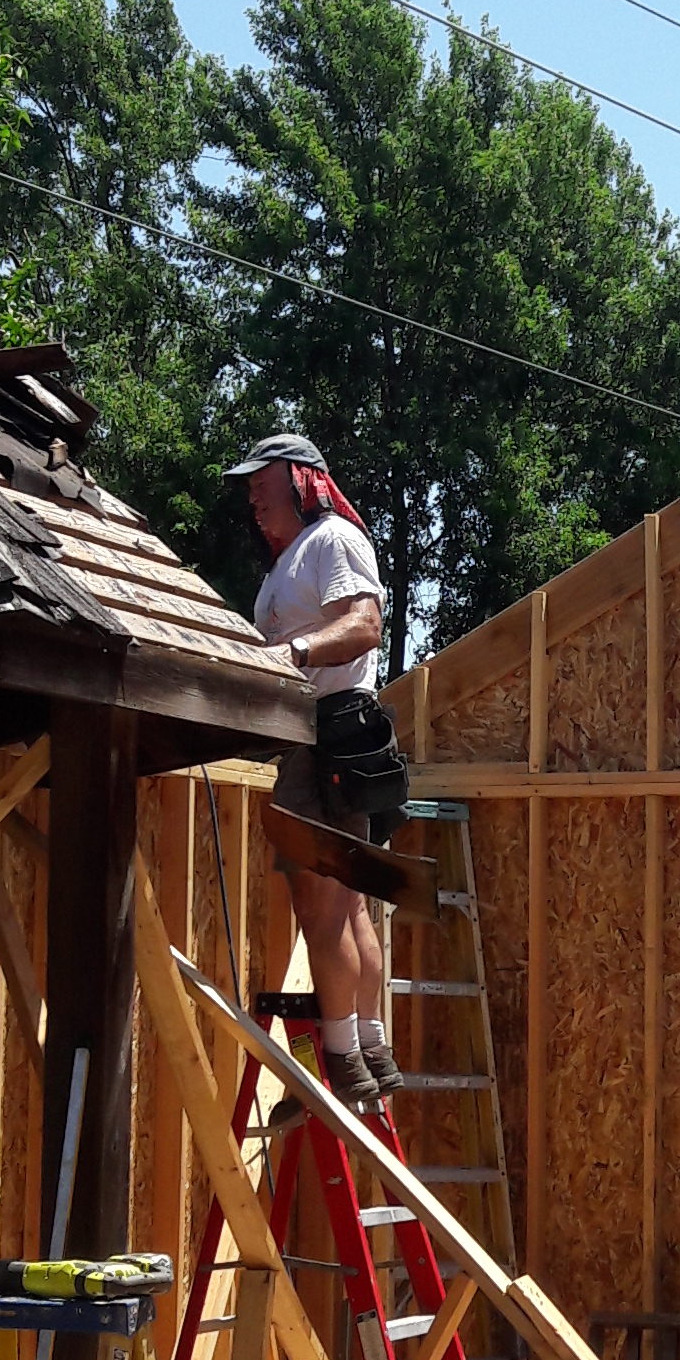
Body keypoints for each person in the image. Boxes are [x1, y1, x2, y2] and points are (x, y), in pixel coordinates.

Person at [233, 430, 405, 1114]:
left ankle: (337, 1061)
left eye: (262, 481)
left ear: (304, 482)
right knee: (349, 904)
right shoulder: (290, 561)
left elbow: (364, 626)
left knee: (321, 905)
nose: (252, 495)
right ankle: (368, 1048)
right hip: (323, 734)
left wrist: (291, 654)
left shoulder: (332, 539)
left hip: (327, 732)